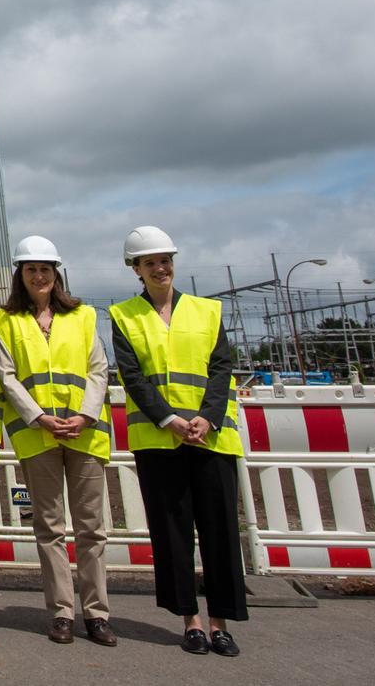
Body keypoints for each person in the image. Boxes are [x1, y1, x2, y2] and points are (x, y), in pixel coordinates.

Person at [111, 225, 247, 658]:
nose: (160, 268)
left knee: (220, 531)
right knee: (172, 533)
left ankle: (221, 623)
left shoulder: (207, 311)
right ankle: (189, 620)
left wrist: (205, 419)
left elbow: (222, 367)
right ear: (136, 269)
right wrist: (169, 419)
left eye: (165, 260)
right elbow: (132, 376)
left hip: (212, 438)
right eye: (149, 262)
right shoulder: (124, 316)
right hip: (159, 439)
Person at [0, 236, 115, 646]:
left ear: (55, 273)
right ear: (19, 275)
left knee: (92, 529)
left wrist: (85, 414)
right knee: (49, 527)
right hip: (38, 434)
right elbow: (5, 376)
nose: (38, 276)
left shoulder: (83, 317)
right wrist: (40, 417)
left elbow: (98, 370)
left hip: (84, 431)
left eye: (45, 269)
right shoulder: (3, 320)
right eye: (30, 270)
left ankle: (97, 614)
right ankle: (62, 611)